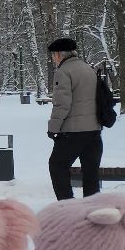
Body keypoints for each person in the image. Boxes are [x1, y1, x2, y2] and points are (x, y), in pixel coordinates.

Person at [46, 37, 104, 201]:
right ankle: (92, 209)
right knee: (91, 173)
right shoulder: (89, 69)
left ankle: (67, 207)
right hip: (94, 131)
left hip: (73, 132)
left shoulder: (63, 72)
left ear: (59, 54)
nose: (53, 59)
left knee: (57, 166)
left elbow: (62, 104)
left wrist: (53, 128)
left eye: (53, 55)